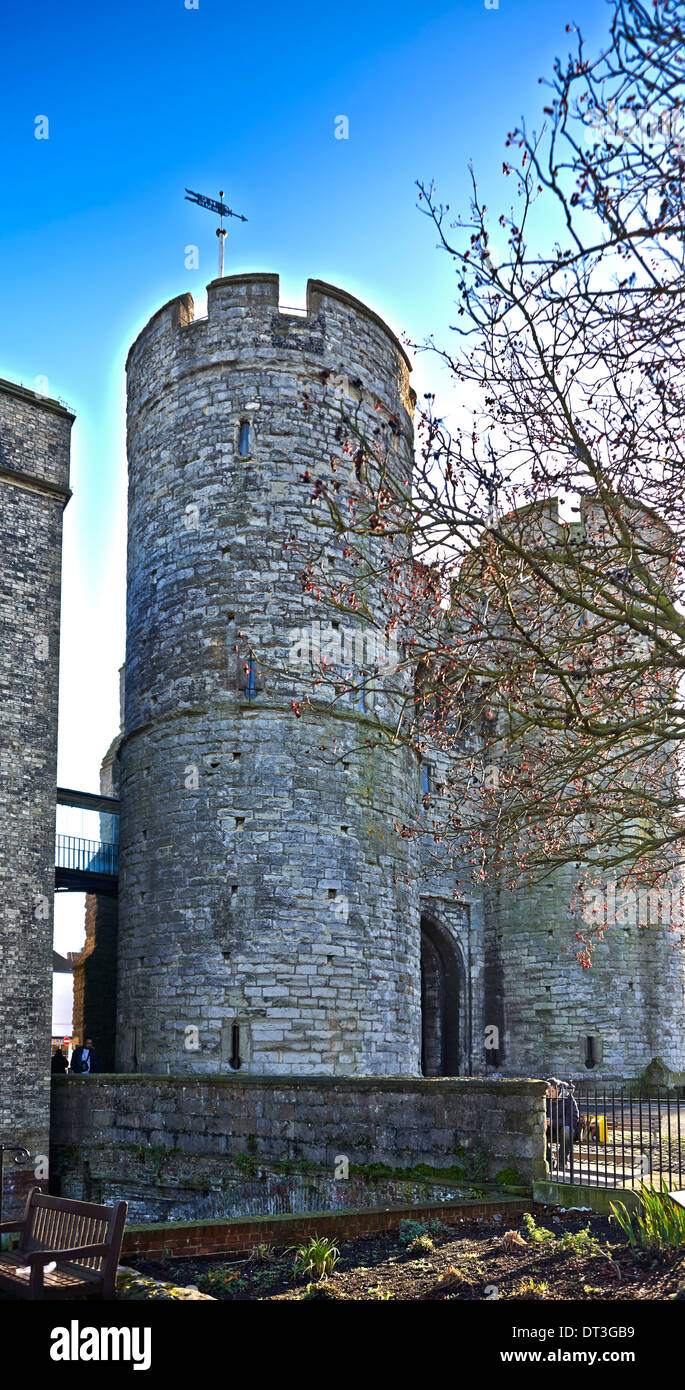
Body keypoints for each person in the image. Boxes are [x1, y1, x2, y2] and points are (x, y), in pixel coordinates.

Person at [546, 1077, 579, 1172]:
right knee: (537, 1130)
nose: (549, 1094)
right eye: (547, 1092)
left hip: (565, 1130)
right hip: (550, 1129)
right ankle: (549, 1159)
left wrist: (553, 1122)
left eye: (551, 1091)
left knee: (567, 1130)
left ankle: (562, 1161)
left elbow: (573, 1119)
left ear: (558, 1089)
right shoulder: (546, 1098)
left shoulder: (568, 1098)